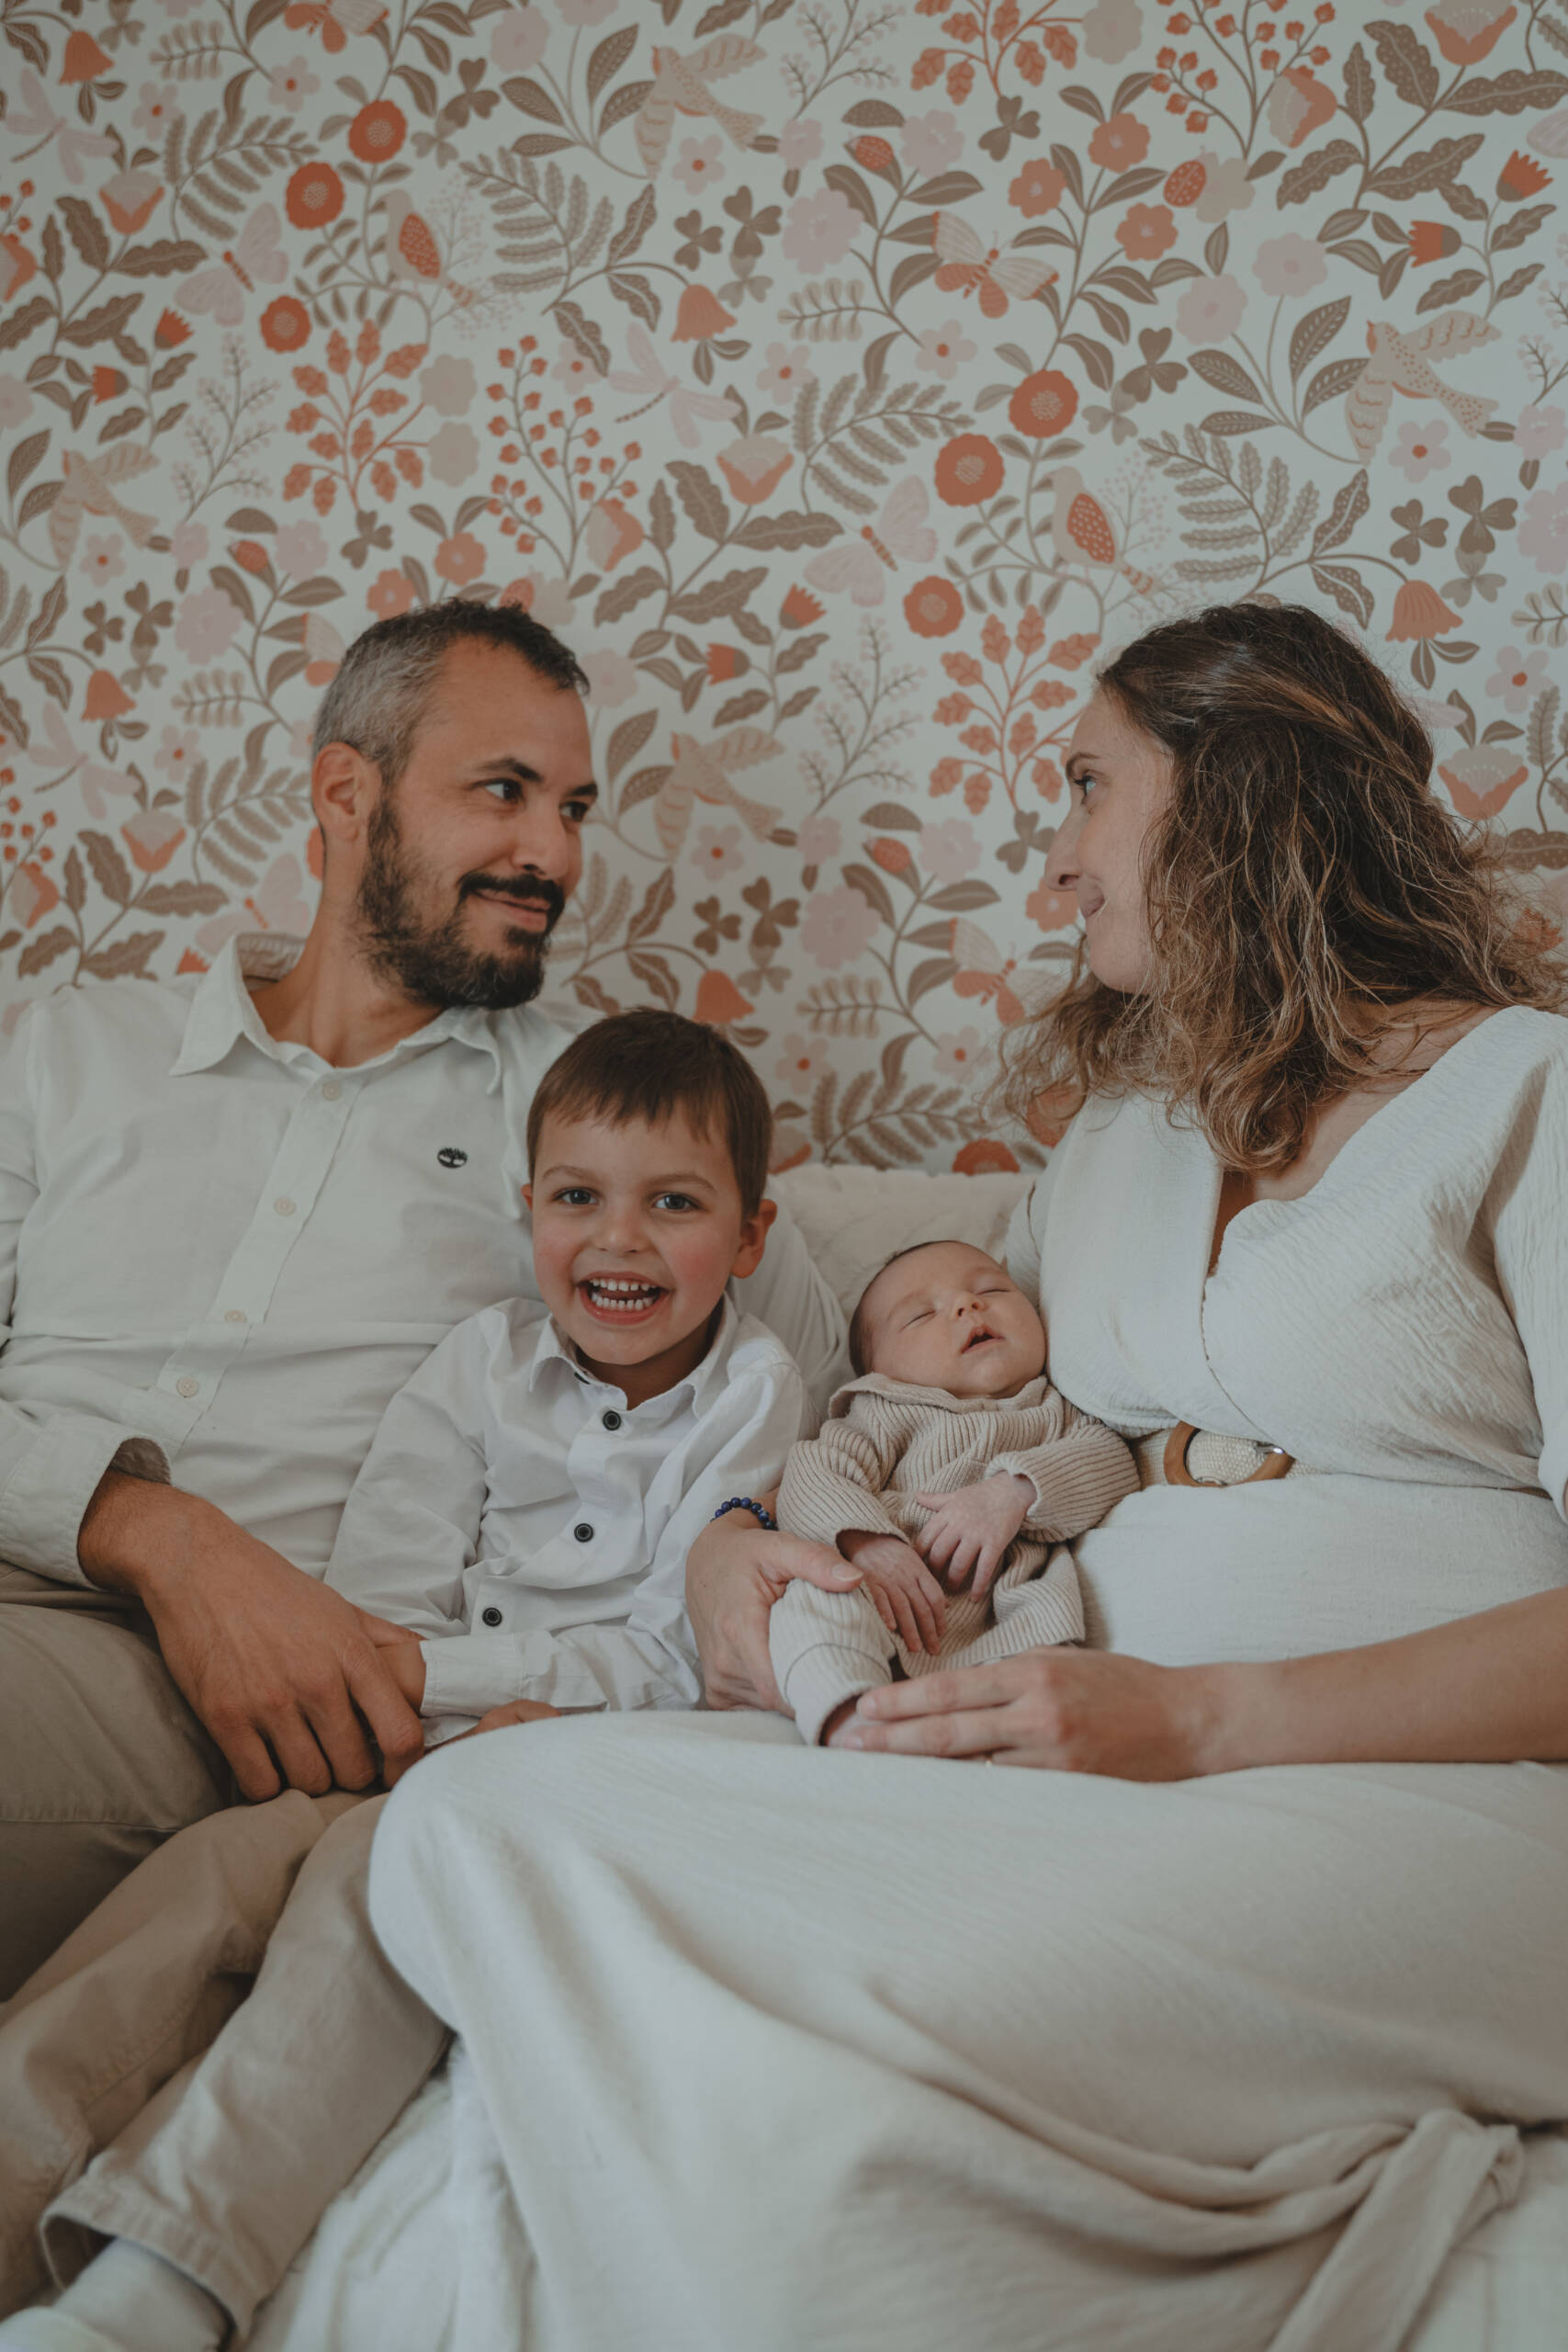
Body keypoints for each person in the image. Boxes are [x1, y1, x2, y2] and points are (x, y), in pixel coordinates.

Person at [364, 602, 1568, 2352]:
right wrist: (727, 1543)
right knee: (464, 1824)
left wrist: (1200, 1720)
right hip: (1053, 1756)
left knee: (884, 2033)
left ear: (1234, 801)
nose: (1056, 858)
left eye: (1086, 788)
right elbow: (890, 1385)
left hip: (1427, 1789)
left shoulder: (1529, 1095)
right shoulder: (1122, 1142)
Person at [0, 602, 852, 2305]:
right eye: (503, 793)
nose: (553, 854)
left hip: (246, 1703)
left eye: (574, 807)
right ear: (347, 795)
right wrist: (155, 1530)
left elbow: (798, 1396)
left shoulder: (589, 1136)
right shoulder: (69, 1050)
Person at [2, 1012, 807, 2352]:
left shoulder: (754, 1394)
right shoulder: (477, 1366)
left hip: (580, 1761)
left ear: (751, 1235)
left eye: (673, 1204)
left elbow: (678, 1646)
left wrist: (455, 1693)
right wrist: (412, 1699)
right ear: (527, 1206)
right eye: (576, 1199)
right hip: (401, 1734)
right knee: (197, 1889)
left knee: (348, 1908)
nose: (617, 1240)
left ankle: (160, 2277)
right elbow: (383, 1589)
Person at [770, 1241, 1134, 1747]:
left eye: (993, 1289)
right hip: (884, 1596)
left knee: (1051, 1658)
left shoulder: (1056, 1408)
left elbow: (1109, 1460)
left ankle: (1001, 1735)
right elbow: (813, 1473)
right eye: (921, 1315)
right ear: (878, 1371)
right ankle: (851, 1721)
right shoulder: (880, 1411)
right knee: (813, 1600)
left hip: (1007, 1606)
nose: (968, 1305)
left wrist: (1013, 1492)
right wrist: (868, 1542)